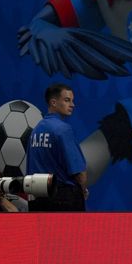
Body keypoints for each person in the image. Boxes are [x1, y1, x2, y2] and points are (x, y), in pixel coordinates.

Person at [27, 83, 87, 211]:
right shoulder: (63, 130)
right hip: (63, 200)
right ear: (53, 102)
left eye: (72, 100)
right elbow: (79, 173)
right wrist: (82, 191)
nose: (72, 105)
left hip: (38, 199)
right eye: (67, 100)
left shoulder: (36, 130)